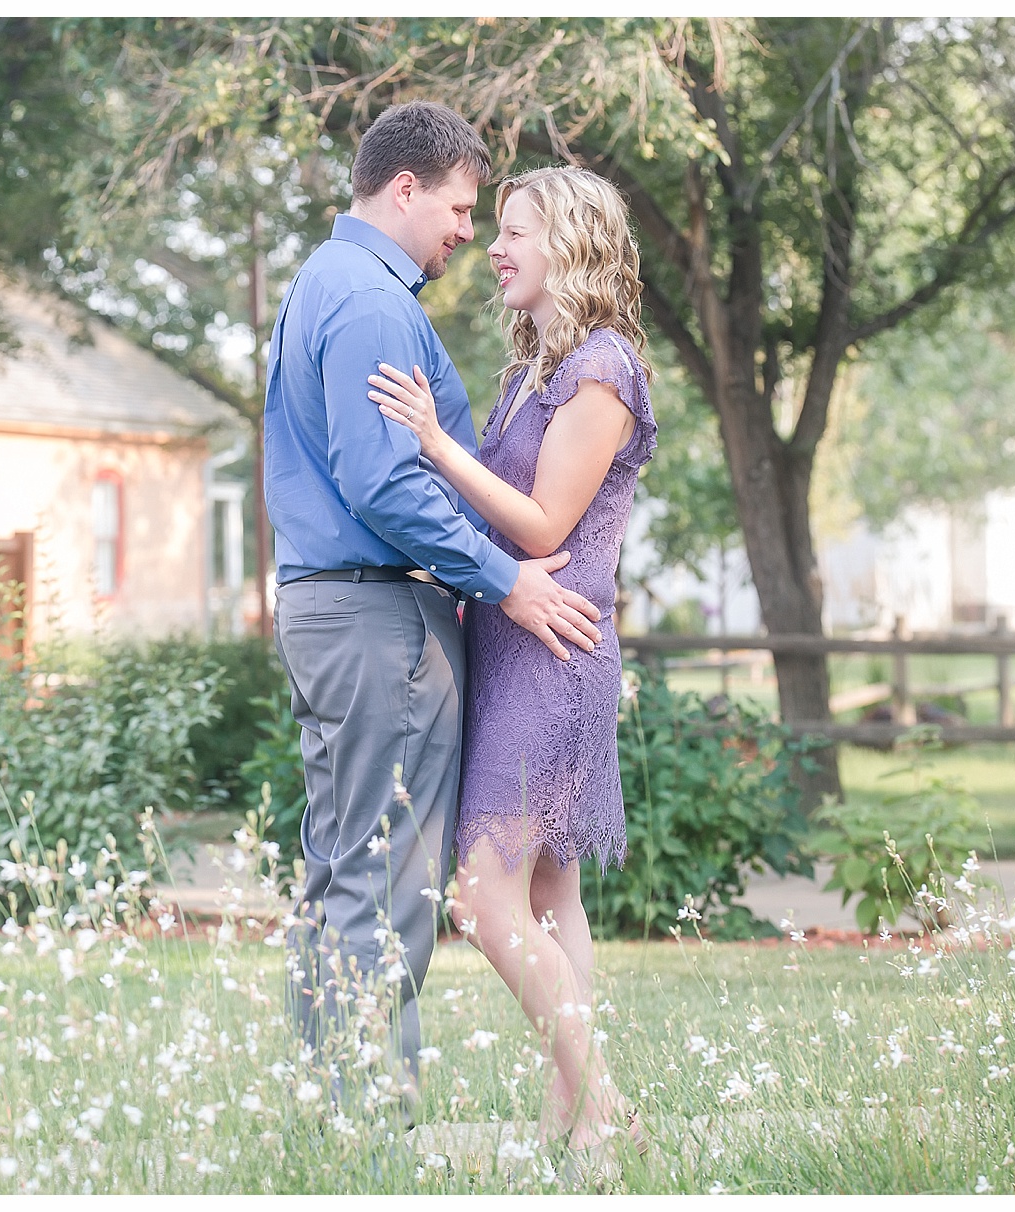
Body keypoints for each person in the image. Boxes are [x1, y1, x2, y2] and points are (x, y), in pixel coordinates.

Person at [264, 101, 602, 1124]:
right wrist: (506, 578)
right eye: (461, 208)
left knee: (341, 870)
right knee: (386, 881)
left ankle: (331, 1115)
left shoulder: (325, 284)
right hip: (376, 621)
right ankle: (369, 1129)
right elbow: (388, 490)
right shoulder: (367, 302)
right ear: (403, 188)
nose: (468, 231)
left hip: (335, 611)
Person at [366, 163, 658, 1176]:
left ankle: (604, 1101)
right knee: (547, 901)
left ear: (569, 243)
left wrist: (435, 442)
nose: (493, 247)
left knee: (484, 903)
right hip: (510, 645)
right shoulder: (539, 368)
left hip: (554, 655)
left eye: (515, 231)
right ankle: (574, 1126)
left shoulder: (604, 369)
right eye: (490, 229)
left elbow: (542, 523)